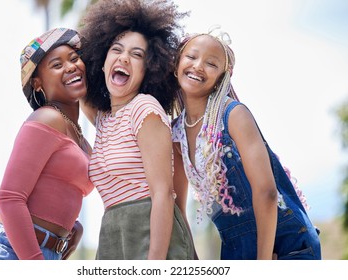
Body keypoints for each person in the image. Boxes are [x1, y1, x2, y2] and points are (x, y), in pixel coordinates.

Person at [172, 26, 322, 260]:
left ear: (223, 76)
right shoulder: (176, 133)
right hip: (235, 248)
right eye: (191, 56)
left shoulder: (233, 115)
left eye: (211, 64)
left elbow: (266, 192)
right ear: (176, 64)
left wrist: (262, 265)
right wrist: (194, 261)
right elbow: (179, 209)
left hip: (284, 244)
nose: (198, 66)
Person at [0, 28, 94, 260]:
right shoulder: (47, 118)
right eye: (57, 64)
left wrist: (73, 227)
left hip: (42, 251)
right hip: (4, 250)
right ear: (38, 82)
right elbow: (9, 198)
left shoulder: (80, 138)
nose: (71, 66)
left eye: (74, 59)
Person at [78, 0, 194, 260]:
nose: (124, 58)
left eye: (137, 54)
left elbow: (163, 193)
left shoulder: (145, 108)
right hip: (112, 237)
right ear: (103, 62)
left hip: (150, 236)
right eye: (116, 50)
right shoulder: (104, 119)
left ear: (149, 69)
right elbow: (79, 83)